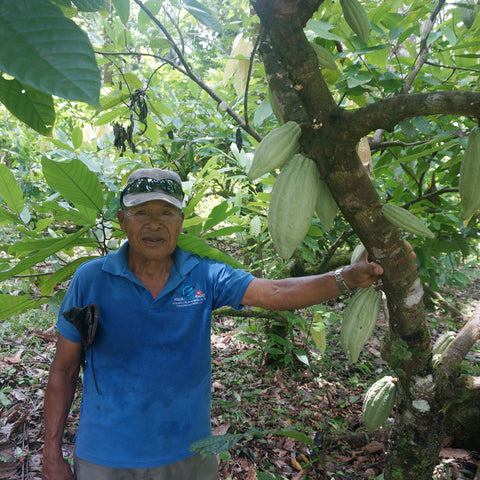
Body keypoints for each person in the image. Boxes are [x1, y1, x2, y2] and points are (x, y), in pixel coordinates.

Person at [42, 167, 389, 480]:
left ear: (180, 221)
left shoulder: (203, 274)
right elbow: (64, 370)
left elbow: (277, 291)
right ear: (122, 220)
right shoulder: (92, 279)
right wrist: (51, 452)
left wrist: (348, 277)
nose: (154, 223)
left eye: (166, 212)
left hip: (188, 454)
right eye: (141, 213)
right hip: (106, 456)